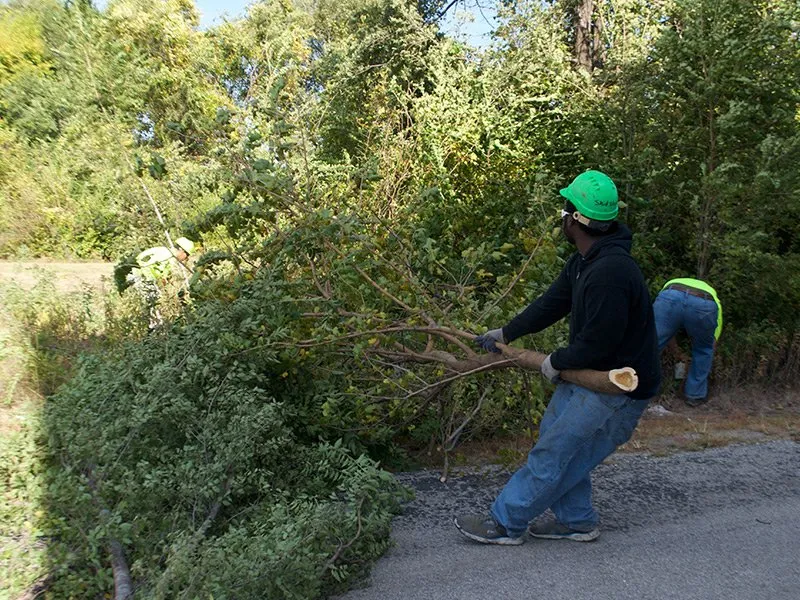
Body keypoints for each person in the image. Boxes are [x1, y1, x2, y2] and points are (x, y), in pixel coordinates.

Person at [453, 170, 661, 545]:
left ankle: (505, 523)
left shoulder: (611, 273)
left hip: (615, 390)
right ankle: (576, 521)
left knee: (556, 453)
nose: (561, 217)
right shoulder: (584, 261)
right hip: (585, 375)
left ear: (576, 219)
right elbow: (552, 303)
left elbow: (599, 344)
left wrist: (554, 361)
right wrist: (507, 332)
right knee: (556, 442)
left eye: (565, 210)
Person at [653, 278, 722, 407]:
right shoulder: (716, 302)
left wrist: (677, 353)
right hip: (705, 302)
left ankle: (639, 389)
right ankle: (694, 396)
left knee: (651, 345)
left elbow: (668, 335)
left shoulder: (673, 284)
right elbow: (712, 342)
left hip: (670, 294)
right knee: (704, 350)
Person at [129, 237, 195, 328]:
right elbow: (149, 267)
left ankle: (155, 326)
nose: (186, 259)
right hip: (141, 275)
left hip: (138, 274)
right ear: (181, 250)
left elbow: (164, 277)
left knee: (153, 301)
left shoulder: (165, 252)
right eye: (187, 255)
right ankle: (155, 328)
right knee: (154, 301)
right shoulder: (167, 256)